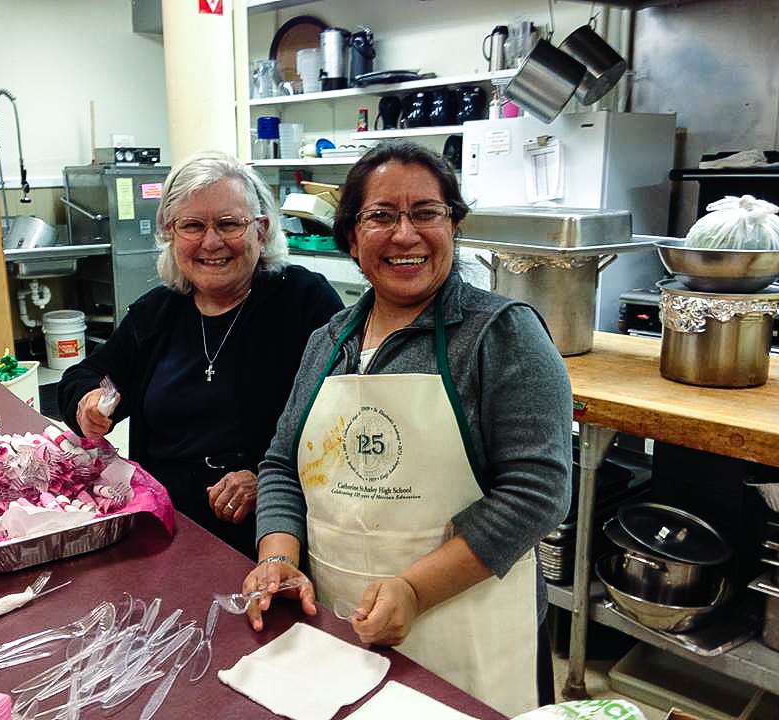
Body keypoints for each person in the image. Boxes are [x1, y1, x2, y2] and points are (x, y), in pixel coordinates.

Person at [243, 141, 572, 716]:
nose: (405, 234)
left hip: (466, 625)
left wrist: (415, 591)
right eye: (381, 216)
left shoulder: (502, 334)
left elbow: (537, 493)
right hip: (341, 622)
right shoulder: (329, 341)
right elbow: (279, 465)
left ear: (454, 226)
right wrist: (278, 557)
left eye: (426, 213)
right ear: (350, 237)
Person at [58, 151, 343, 559]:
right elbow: (92, 377)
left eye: (229, 224)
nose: (211, 242)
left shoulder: (303, 302)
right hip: (167, 526)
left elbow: (340, 419)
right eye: (192, 225)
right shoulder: (156, 313)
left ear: (260, 230)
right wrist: (88, 403)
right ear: (171, 235)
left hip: (271, 531)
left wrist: (270, 479)